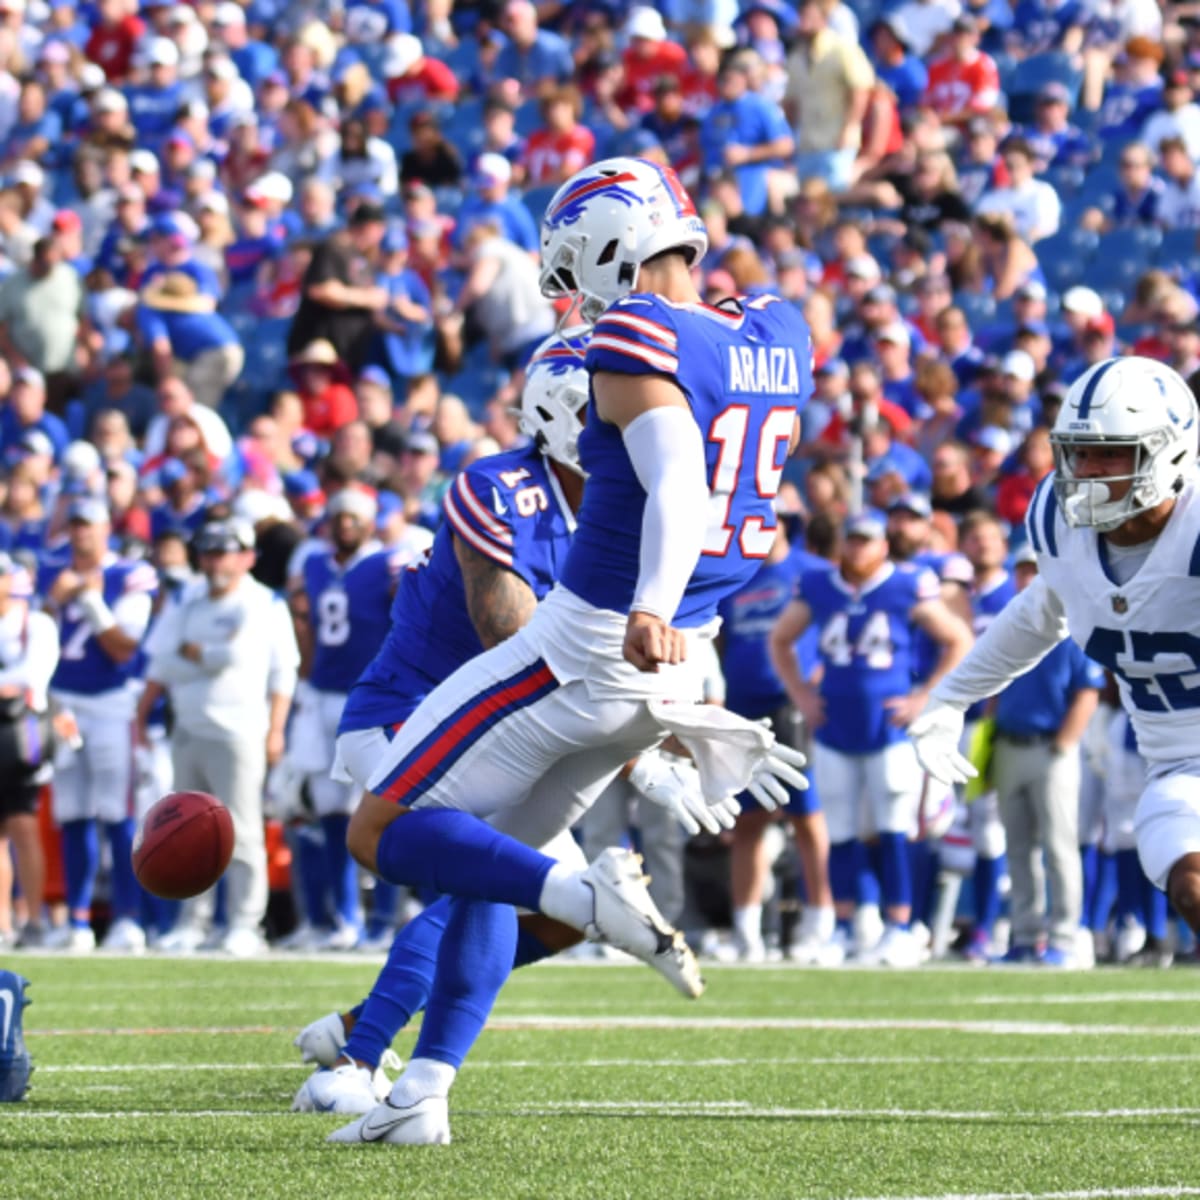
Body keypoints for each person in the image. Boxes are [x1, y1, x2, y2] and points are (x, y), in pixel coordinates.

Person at [328, 158, 811, 1146]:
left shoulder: (635, 331)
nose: (570, 293)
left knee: (380, 831)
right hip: (678, 663)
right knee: (480, 869)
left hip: (591, 642)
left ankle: (585, 896)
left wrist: (649, 600)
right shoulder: (775, 325)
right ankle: (424, 1089)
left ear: (607, 243)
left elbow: (678, 480)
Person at [909, 356, 1200, 961]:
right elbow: (1043, 609)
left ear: (1168, 451)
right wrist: (953, 696)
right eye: (1078, 452)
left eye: (1112, 454)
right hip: (1178, 764)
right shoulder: (1058, 522)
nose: (1088, 471)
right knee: (1191, 885)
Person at [770, 509, 972, 965]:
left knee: (894, 830)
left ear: (883, 545)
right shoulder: (820, 585)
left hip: (889, 729)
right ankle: (844, 928)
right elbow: (780, 639)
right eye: (853, 539)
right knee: (840, 831)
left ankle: (899, 927)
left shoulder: (907, 583)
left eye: (867, 540)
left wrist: (924, 696)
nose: (859, 548)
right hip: (834, 725)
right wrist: (801, 693)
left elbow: (957, 638)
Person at [137, 517, 299, 957]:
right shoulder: (187, 599)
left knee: (243, 830)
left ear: (247, 556)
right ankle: (194, 922)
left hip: (240, 730)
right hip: (188, 726)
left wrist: (277, 728)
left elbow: (266, 666)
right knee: (185, 833)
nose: (215, 560)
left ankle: (246, 924)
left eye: (224, 551)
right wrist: (204, 656)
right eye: (209, 551)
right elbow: (161, 660)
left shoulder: (264, 604)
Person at [38, 497, 156, 952]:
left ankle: (127, 918)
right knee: (72, 811)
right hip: (64, 704)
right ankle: (78, 920)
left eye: (89, 525)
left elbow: (123, 647)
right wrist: (54, 600)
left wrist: (86, 598)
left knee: (117, 811)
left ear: (107, 527)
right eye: (76, 525)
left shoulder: (129, 574)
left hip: (112, 704)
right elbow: (35, 632)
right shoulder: (51, 571)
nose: (81, 533)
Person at [990, 542, 1104, 965]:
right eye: (1021, 571)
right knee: (1017, 847)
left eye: (1033, 571)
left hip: (1050, 746)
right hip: (1009, 744)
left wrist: (1062, 745)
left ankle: (1064, 937)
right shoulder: (1005, 628)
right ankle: (1024, 935)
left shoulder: (1069, 629)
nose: (1026, 579)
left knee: (1058, 846)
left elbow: (1087, 692)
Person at [288, 487, 383, 950]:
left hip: (371, 695)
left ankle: (384, 917)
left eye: (354, 516)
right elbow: (300, 617)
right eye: (339, 515)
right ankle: (342, 919)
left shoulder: (388, 564)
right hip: (322, 692)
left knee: (384, 806)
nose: (345, 523)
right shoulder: (313, 563)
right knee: (326, 809)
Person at [0, 552, 58, 948]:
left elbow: (32, 677)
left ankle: (34, 918)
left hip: (22, 732)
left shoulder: (34, 624)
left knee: (23, 824)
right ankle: (4, 923)